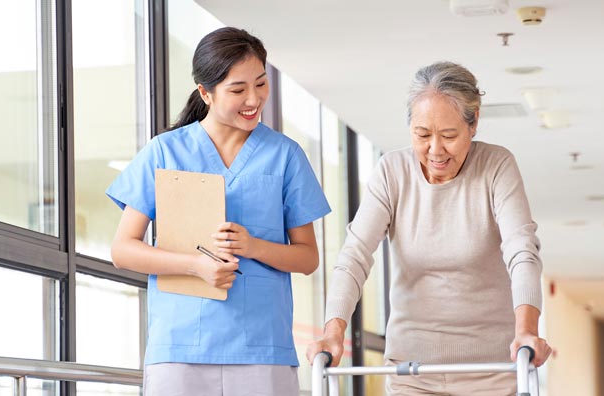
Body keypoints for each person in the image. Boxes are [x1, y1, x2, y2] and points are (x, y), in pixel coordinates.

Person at [107, 27, 330, 396]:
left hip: (263, 347)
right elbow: (122, 249)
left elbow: (308, 258)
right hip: (179, 349)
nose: (254, 99)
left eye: (260, 84)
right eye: (238, 90)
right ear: (205, 93)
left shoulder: (285, 155)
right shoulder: (164, 153)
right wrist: (195, 266)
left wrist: (253, 246)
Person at [306, 61, 551, 395]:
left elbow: (522, 250)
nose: (435, 150)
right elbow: (355, 256)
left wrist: (527, 330)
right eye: (422, 135)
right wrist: (333, 331)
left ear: (474, 122)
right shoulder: (392, 172)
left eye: (449, 136)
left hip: (491, 369)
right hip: (413, 369)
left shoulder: (496, 167)